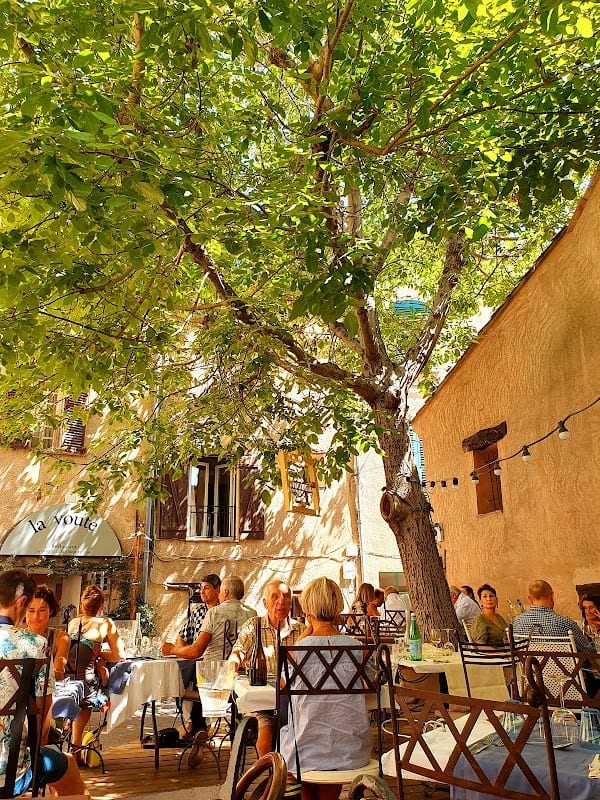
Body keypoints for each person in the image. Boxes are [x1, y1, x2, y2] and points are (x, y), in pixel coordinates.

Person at [279, 577, 372, 800]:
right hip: (351, 750)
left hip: (305, 751)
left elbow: (283, 685)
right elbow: (373, 683)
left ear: (307, 610)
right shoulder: (359, 648)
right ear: (337, 607)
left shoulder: (295, 650)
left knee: (290, 735)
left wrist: (307, 633)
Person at [0, 569, 87, 797]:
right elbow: (43, 715)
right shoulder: (34, 645)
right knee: (67, 766)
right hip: (9, 773)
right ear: (21, 603)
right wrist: (38, 749)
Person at [230, 580, 302, 756]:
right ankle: (273, 777)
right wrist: (232, 665)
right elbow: (238, 652)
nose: (281, 602)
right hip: (264, 702)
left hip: (295, 701)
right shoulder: (253, 626)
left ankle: (295, 775)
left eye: (286, 597)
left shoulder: (302, 630)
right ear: (265, 603)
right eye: (275, 597)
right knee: (264, 740)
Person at [63, 584, 126, 763]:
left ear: (82, 605)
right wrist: (99, 654)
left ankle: (71, 725)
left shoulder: (73, 622)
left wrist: (96, 655)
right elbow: (120, 656)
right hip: (85, 684)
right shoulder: (105, 623)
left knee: (84, 682)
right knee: (100, 689)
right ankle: (75, 747)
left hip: (65, 681)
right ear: (101, 606)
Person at [512, 579, 593, 652]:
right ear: (552, 596)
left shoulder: (517, 622)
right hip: (563, 668)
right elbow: (589, 653)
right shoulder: (566, 624)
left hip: (530, 668)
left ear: (529, 599)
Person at [25, 584, 71, 673]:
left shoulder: (61, 638)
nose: (36, 616)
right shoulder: (16, 637)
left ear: (51, 611)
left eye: (42, 610)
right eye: (31, 610)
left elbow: (58, 671)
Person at [176, 574, 221, 648]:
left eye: (206, 588)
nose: (202, 592)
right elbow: (182, 637)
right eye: (201, 588)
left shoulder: (223, 611)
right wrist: (183, 654)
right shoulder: (198, 612)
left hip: (216, 658)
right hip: (197, 657)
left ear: (217, 590)